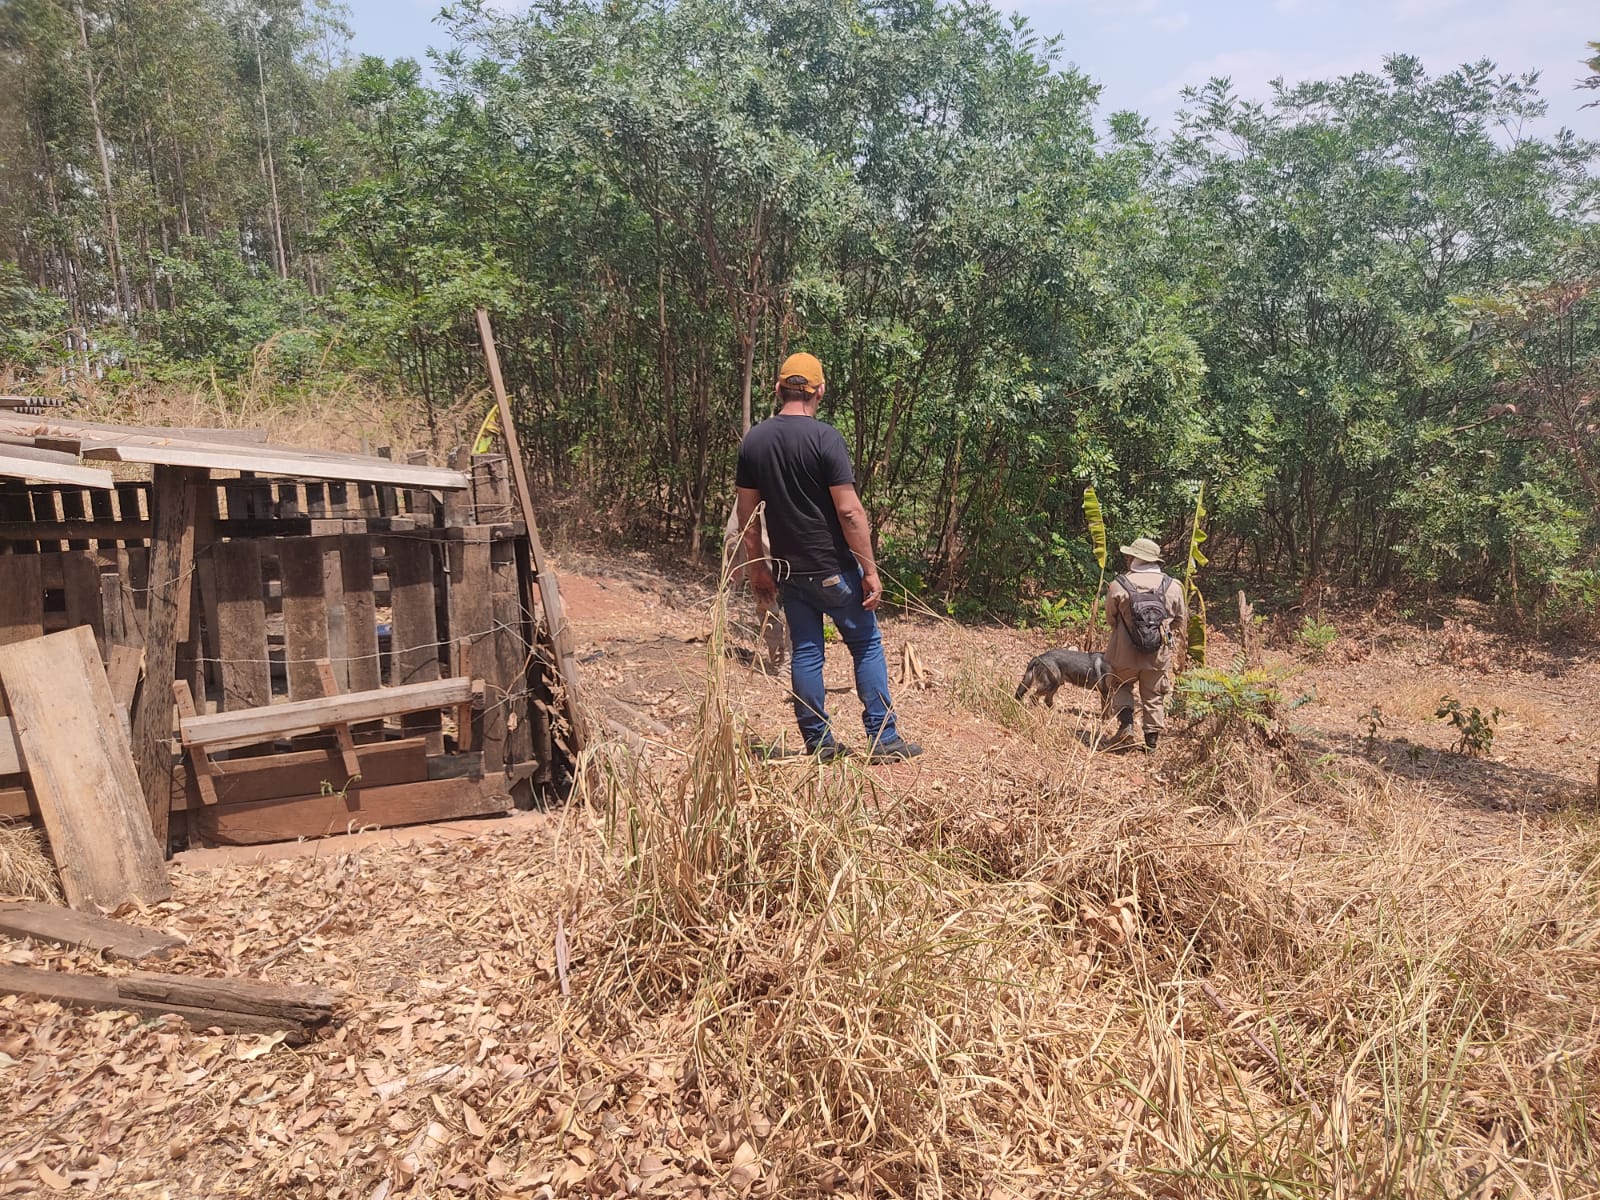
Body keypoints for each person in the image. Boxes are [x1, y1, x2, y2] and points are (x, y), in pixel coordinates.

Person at [734, 352, 922, 763]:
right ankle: (883, 739)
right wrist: (869, 571)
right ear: (819, 391)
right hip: (833, 568)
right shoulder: (825, 439)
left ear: (777, 388)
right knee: (867, 643)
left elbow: (747, 519)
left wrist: (758, 572)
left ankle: (819, 743)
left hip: (788, 570)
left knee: (806, 652)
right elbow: (850, 511)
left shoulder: (755, 441)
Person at [1102, 536, 1187, 751]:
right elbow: (1180, 620)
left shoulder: (1118, 584)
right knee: (1153, 696)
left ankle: (1127, 725)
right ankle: (1151, 745)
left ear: (1134, 558)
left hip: (1124, 653)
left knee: (1121, 686)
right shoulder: (1173, 586)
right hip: (1157, 655)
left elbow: (1110, 618)